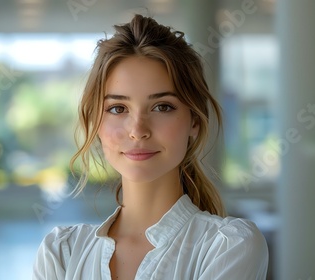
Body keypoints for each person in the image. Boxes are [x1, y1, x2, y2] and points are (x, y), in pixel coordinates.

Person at [33, 14, 268, 279]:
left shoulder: (228, 246)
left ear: (194, 121)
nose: (137, 131)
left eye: (162, 107)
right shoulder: (61, 253)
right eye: (118, 108)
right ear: (96, 123)